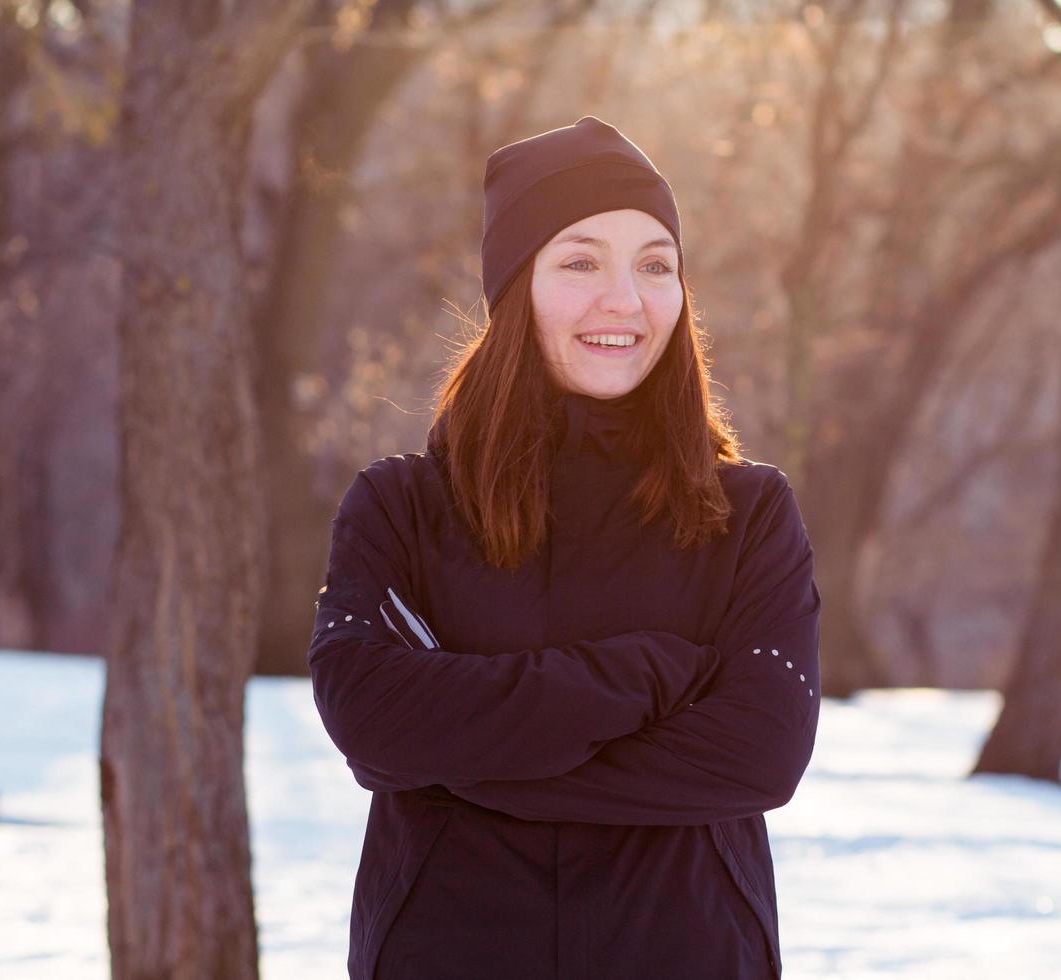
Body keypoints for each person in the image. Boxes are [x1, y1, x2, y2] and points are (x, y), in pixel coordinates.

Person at [308, 115, 822, 980]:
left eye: (655, 265)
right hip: (450, 953)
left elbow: (760, 753)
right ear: (517, 288)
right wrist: (649, 674)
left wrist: (459, 764)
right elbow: (372, 718)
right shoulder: (402, 505)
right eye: (581, 261)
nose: (624, 298)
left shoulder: (750, 513)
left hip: (686, 954)